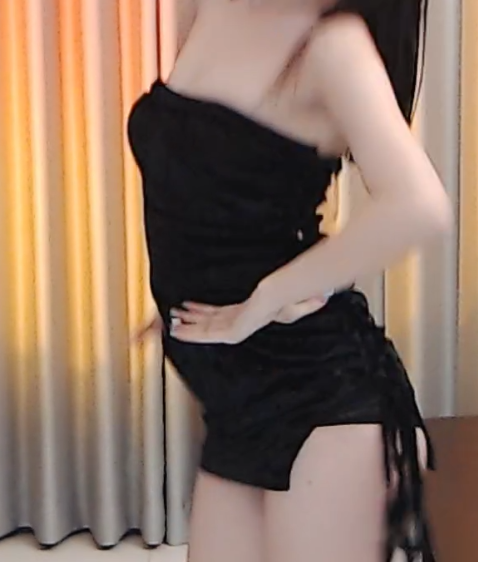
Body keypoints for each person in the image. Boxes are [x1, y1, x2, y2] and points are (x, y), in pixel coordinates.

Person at [127, 0, 453, 560]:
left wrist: (265, 298)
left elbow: (419, 206)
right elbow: (207, 183)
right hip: (235, 400)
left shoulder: (333, 45)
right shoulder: (211, 8)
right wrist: (192, 288)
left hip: (321, 397)